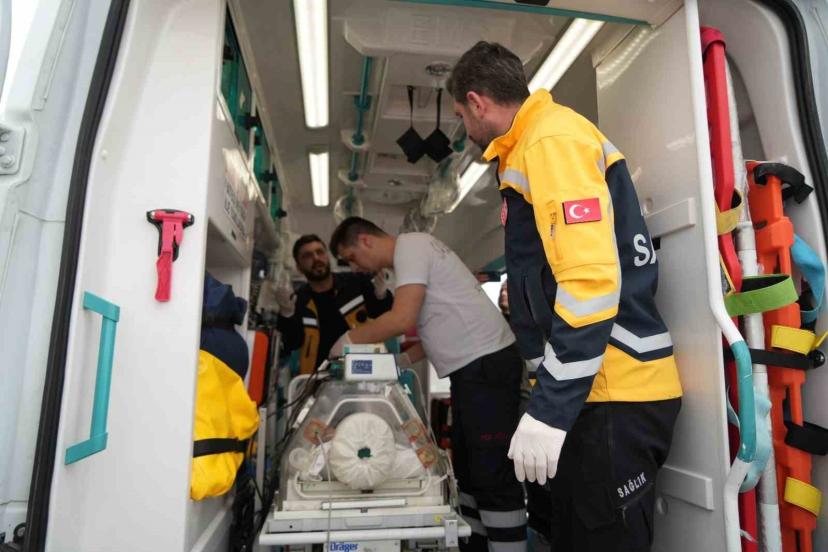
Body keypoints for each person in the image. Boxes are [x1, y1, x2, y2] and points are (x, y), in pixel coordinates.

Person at [448, 41, 683, 551]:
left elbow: (590, 282)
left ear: (477, 102)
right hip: (592, 393)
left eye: (461, 115)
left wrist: (551, 409)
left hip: (612, 392)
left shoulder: (549, 141)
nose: (464, 128)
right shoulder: (529, 148)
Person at [328, 217, 527, 552]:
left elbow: (402, 319)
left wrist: (348, 340)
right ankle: (477, 546)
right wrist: (402, 361)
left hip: (487, 366)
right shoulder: (408, 261)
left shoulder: (412, 246)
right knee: (468, 471)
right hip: (471, 371)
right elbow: (436, 325)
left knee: (491, 473)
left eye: (351, 258)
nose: (356, 267)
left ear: (365, 240)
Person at [274, 234, 393, 374]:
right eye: (307, 256)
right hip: (318, 378)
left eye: (320, 252)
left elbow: (384, 315)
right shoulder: (298, 301)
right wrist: (287, 313)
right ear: (299, 267)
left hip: (364, 371)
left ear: (327, 256)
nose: (316, 258)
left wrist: (381, 295)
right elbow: (291, 343)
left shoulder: (356, 283)